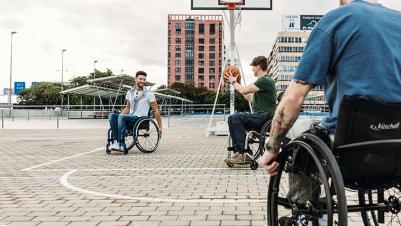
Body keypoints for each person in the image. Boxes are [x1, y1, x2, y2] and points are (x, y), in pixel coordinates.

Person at [259, 0, 401, 211]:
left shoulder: (335, 21)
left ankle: (306, 212)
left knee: (299, 132)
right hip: (395, 141)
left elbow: (293, 97)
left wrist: (272, 148)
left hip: (351, 143)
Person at [224, 55, 277, 164]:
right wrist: (238, 83)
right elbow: (249, 97)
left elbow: (243, 91)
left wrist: (234, 82)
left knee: (236, 117)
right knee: (231, 118)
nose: (252, 69)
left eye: (253, 66)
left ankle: (245, 153)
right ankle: (239, 153)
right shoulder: (262, 84)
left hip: (265, 117)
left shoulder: (265, 80)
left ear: (258, 66)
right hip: (261, 117)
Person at [108, 71, 162, 151]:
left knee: (122, 117)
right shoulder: (130, 93)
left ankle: (121, 144)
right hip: (130, 116)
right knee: (112, 115)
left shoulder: (149, 94)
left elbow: (156, 110)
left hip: (140, 118)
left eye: (144, 79)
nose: (142, 81)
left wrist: (160, 127)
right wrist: (119, 116)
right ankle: (117, 142)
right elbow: (128, 108)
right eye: (140, 79)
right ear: (135, 79)